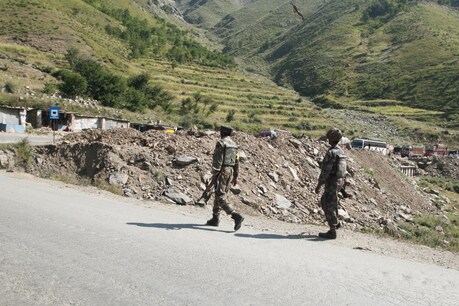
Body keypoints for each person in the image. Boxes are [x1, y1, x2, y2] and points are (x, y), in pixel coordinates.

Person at [206, 125, 244, 231]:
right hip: (230, 171)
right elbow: (236, 161)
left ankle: (235, 215)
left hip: (222, 172)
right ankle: (215, 218)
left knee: (220, 195)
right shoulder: (234, 145)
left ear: (222, 132)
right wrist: (236, 175)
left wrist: (214, 176)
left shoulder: (221, 143)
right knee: (220, 193)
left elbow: (217, 161)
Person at [315, 128, 347, 239]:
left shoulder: (331, 152)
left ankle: (332, 230)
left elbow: (326, 171)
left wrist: (319, 185)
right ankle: (335, 223)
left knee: (328, 203)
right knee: (327, 201)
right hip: (339, 181)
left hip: (332, 181)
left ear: (331, 138)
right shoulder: (341, 151)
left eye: (329, 137)